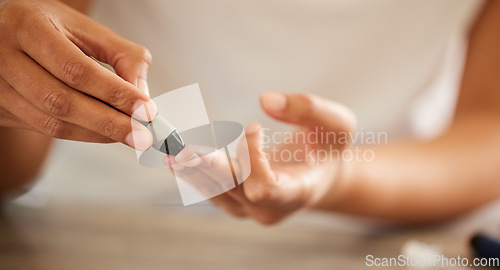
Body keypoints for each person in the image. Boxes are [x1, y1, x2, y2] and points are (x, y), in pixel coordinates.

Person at [1, 0, 500, 225]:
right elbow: (15, 165)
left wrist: (338, 177)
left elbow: (489, 130)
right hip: (88, 224)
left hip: (367, 232)